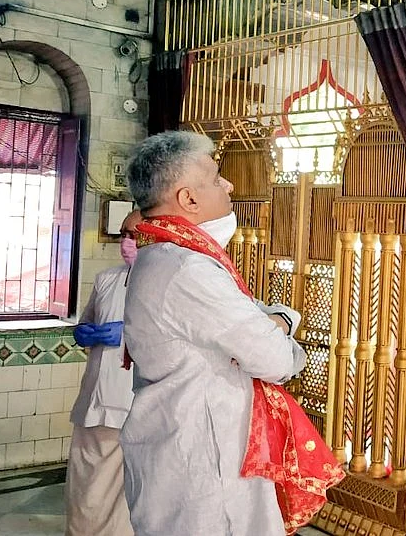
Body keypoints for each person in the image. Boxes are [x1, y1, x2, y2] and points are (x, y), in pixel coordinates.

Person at [121, 131, 343, 536]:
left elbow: (254, 323)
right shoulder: (187, 269)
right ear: (189, 199)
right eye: (216, 177)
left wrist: (272, 323)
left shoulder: (165, 257)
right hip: (206, 468)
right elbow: (276, 359)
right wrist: (281, 325)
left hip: (187, 451)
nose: (230, 185)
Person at [65, 209, 142, 536]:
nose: (126, 242)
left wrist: (128, 334)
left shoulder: (166, 284)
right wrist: (84, 331)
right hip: (92, 400)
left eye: (134, 235)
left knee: (117, 497)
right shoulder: (107, 279)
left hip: (127, 404)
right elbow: (87, 320)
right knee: (84, 487)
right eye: (123, 234)